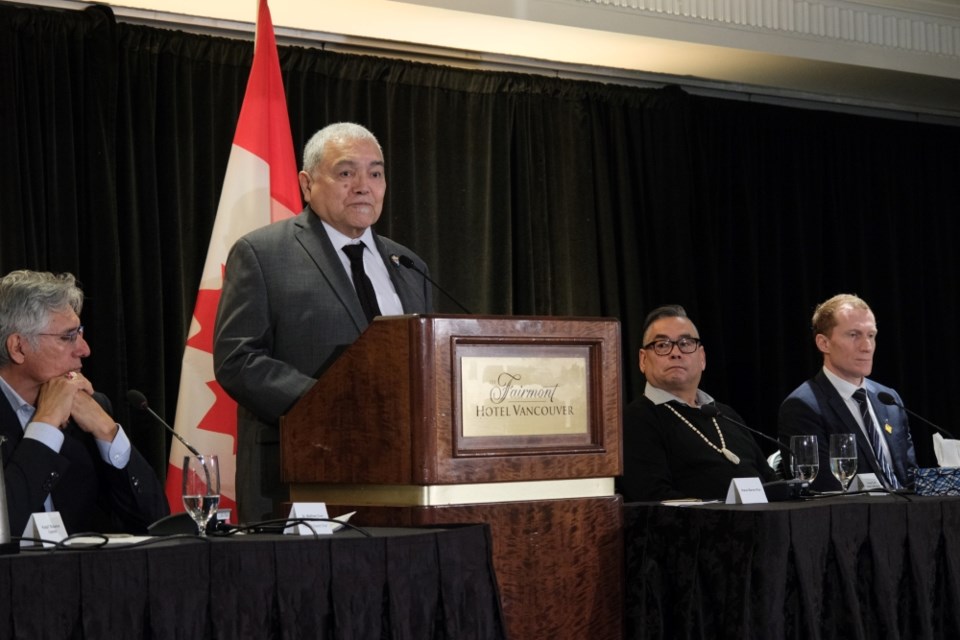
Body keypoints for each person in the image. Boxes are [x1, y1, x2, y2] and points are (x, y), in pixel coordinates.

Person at [214, 122, 433, 523]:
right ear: (307, 183)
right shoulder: (263, 254)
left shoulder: (409, 265)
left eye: (376, 173)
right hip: (297, 476)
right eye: (346, 172)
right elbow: (238, 360)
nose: (364, 186)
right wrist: (332, 406)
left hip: (399, 481)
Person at [0, 270, 169, 536]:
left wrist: (107, 431)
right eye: (67, 337)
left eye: (80, 333)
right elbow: (5, 524)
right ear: (18, 347)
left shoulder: (88, 410)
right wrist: (45, 424)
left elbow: (156, 523)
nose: (84, 349)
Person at [618, 305, 776, 502]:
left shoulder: (724, 414)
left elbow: (769, 481)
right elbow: (653, 499)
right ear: (643, 360)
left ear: (702, 358)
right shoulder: (635, 420)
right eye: (662, 345)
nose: (676, 353)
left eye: (686, 343)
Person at [778, 293, 916, 491]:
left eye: (871, 335)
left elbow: (909, 474)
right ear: (823, 343)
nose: (867, 347)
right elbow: (821, 486)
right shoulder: (803, 406)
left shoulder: (888, 399)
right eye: (853, 335)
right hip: (852, 517)